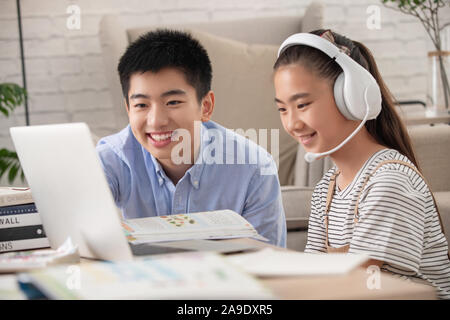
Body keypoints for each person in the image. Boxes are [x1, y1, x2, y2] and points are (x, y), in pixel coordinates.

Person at [272, 29, 450, 298]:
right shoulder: (326, 190)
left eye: (303, 104)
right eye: (283, 109)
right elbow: (314, 276)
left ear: (352, 98)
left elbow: (362, 287)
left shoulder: (389, 181)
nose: (292, 124)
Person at [96, 29, 286, 247]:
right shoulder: (111, 160)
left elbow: (269, 259)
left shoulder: (254, 168)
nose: (156, 121)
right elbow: (78, 239)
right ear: (128, 109)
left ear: (205, 106)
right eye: (141, 105)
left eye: (173, 102)